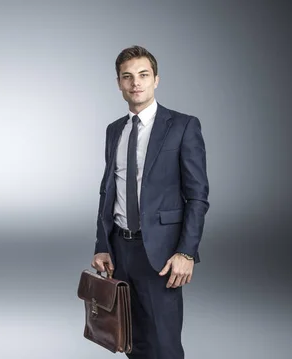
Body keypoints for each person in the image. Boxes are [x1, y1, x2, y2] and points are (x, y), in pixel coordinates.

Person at [91, 45, 209, 359]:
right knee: (131, 340)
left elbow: (197, 196)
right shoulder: (114, 130)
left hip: (160, 253)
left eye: (143, 75)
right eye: (127, 77)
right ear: (119, 83)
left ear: (156, 79)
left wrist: (186, 251)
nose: (135, 83)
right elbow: (108, 191)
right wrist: (102, 244)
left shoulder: (183, 126)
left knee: (164, 344)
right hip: (119, 250)